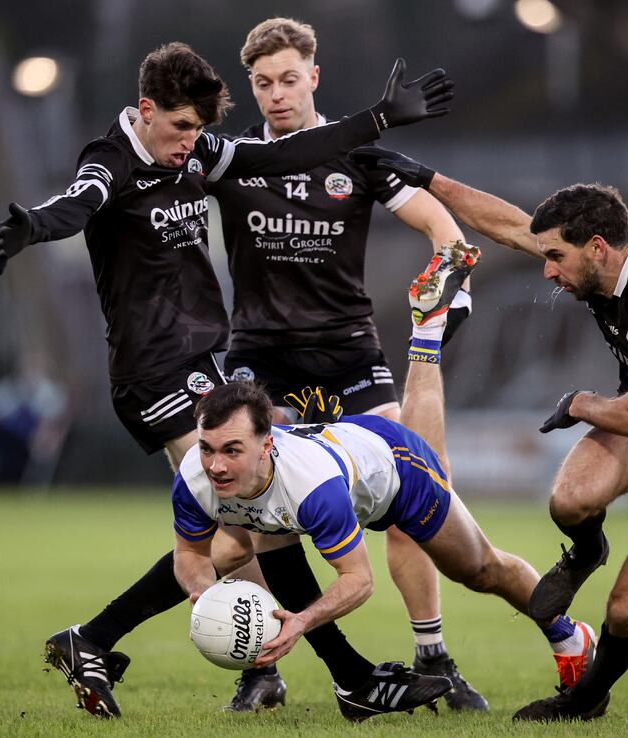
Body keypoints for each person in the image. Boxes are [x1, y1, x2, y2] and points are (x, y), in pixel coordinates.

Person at [0, 43, 454, 718]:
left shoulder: (196, 150)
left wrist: (376, 119)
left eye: (198, 131)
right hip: (153, 373)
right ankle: (345, 677)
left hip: (207, 359)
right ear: (145, 111)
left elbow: (279, 156)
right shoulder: (110, 160)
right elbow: (77, 204)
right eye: (178, 128)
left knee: (246, 528)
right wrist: (35, 226)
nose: (189, 145)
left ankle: (96, 639)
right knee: (256, 520)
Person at [350, 149, 628, 721]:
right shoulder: (600, 262)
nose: (546, 270)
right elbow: (513, 228)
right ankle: (588, 550)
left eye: (556, 258)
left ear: (596, 248)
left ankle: (584, 700)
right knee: (569, 499)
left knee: (625, 608)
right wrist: (423, 177)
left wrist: (581, 403)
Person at [172, 242, 598, 720]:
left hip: (396, 470)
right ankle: (429, 330)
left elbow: (357, 581)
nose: (215, 464)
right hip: (345, 449)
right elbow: (193, 553)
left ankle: (569, 636)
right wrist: (204, 596)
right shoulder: (214, 469)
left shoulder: (309, 484)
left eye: (227, 451)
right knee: (257, 539)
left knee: (479, 569)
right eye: (209, 450)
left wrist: (299, 624)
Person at [207, 17, 484, 711]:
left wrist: (457, 287)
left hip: (349, 354)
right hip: (261, 356)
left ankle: (433, 654)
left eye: (289, 79)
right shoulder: (232, 160)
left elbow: (442, 226)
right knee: (249, 518)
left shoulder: (358, 157)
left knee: (408, 497)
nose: (276, 94)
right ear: (251, 86)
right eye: (263, 83)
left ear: (315, 77)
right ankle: (260, 665)